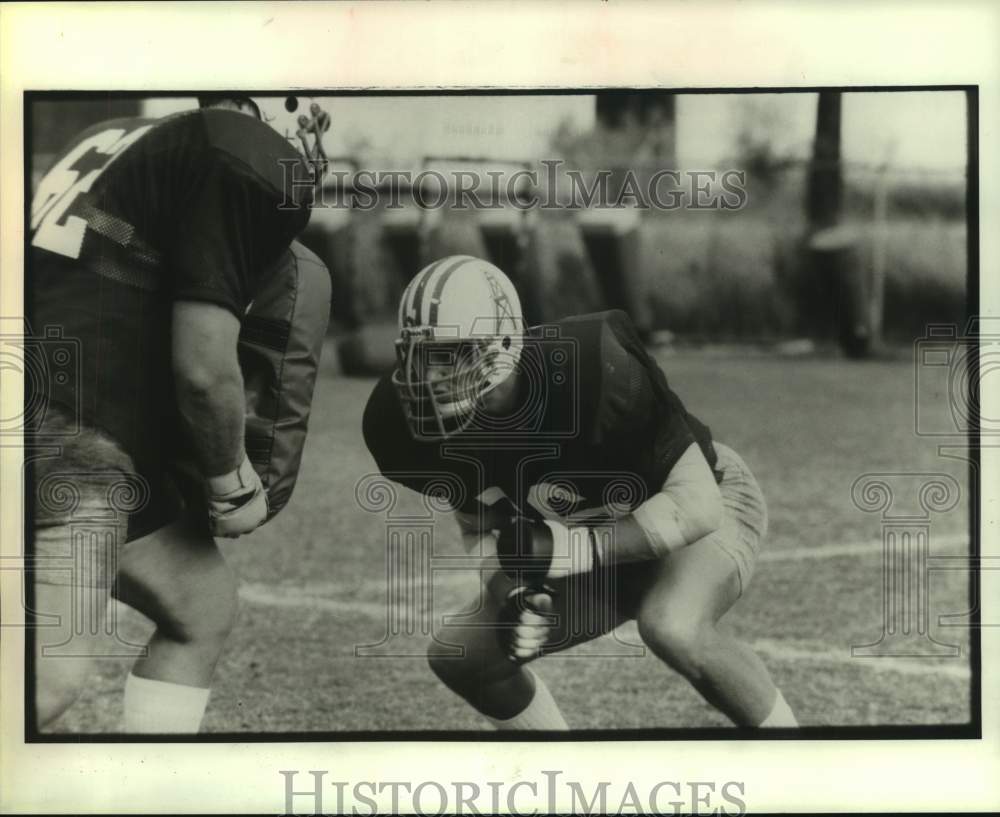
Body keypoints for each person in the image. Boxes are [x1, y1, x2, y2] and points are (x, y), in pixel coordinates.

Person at [363, 255, 797, 730]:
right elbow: (479, 523)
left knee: (671, 625)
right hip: (585, 539)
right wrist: (508, 589)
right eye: (422, 357)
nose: (432, 377)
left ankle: (795, 767)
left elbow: (697, 504)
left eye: (454, 354)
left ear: (505, 341)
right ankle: (564, 777)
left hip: (697, 504)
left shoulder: (591, 369)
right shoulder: (399, 426)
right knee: (462, 656)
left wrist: (573, 550)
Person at [27, 94, 329, 733]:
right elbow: (201, 368)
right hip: (66, 427)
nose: (310, 135)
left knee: (201, 602)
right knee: (45, 684)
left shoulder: (113, 134)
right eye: (308, 115)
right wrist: (228, 478)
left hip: (41, 401)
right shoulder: (243, 157)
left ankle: (151, 788)